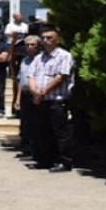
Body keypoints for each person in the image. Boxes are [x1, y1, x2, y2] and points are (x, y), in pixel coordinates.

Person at [27, 24, 74, 172]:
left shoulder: (64, 56)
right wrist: (34, 91)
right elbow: (31, 75)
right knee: (42, 132)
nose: (46, 40)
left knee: (60, 133)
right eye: (44, 38)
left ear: (57, 39)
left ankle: (64, 162)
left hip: (57, 100)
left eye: (49, 37)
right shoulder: (38, 58)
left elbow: (61, 77)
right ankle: (45, 160)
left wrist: (43, 92)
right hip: (40, 101)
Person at [13, 35, 41, 158]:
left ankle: (37, 150)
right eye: (27, 45)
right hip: (24, 95)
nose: (29, 47)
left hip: (36, 95)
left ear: (38, 46)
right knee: (25, 124)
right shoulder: (24, 60)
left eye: (33, 45)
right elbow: (21, 80)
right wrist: (18, 99)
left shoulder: (41, 60)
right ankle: (26, 149)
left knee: (36, 124)